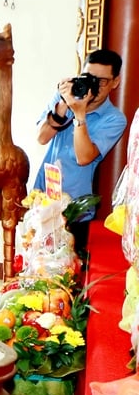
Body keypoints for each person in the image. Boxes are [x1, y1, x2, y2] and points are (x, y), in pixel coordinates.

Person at [34, 49, 127, 254]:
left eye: (101, 81)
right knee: (35, 267)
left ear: (115, 82)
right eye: (89, 77)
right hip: (42, 199)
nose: (93, 85)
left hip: (75, 211)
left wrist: (79, 113)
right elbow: (41, 137)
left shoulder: (114, 119)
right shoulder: (64, 98)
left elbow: (84, 157)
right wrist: (62, 105)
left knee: (67, 276)